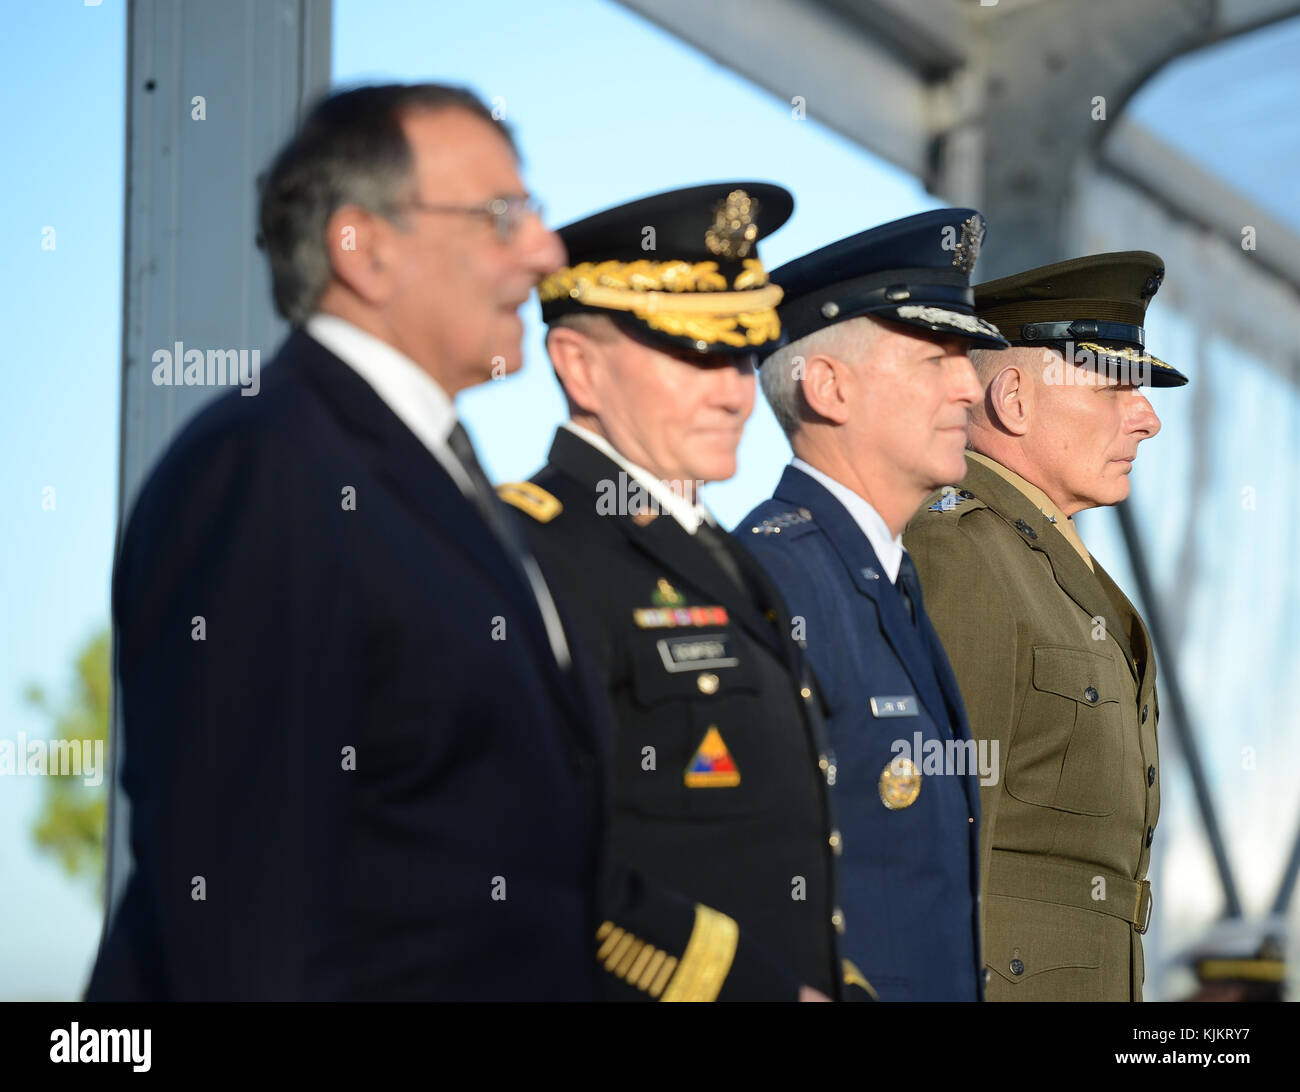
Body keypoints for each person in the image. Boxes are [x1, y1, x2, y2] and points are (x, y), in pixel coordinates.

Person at [87, 84, 764, 1001]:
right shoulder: (263, 469)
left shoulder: (431, 474)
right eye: (501, 217)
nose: (545, 251)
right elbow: (249, 906)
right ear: (362, 250)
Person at [498, 183, 857, 1000]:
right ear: (578, 367)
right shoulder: (531, 552)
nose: (735, 391)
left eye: (743, 353)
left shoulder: (729, 559)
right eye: (694, 353)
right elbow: (526, 854)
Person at [734, 210, 1007, 1000]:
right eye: (936, 358)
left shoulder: (883, 576)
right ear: (828, 388)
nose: (969, 385)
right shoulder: (773, 580)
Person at [904, 251, 1187, 1001]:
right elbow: (936, 843)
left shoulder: (1048, 563)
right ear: (1015, 401)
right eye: (1112, 390)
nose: (1149, 418)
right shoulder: (960, 550)